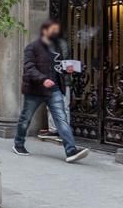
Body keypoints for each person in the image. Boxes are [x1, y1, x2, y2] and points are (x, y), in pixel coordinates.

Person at [13, 20, 88, 163]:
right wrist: (43, 79)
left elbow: (58, 68)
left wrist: (68, 69)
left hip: (54, 90)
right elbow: (29, 67)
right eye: (53, 30)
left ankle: (71, 150)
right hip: (35, 90)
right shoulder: (32, 47)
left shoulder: (57, 48)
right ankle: (18, 144)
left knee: (61, 119)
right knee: (25, 119)